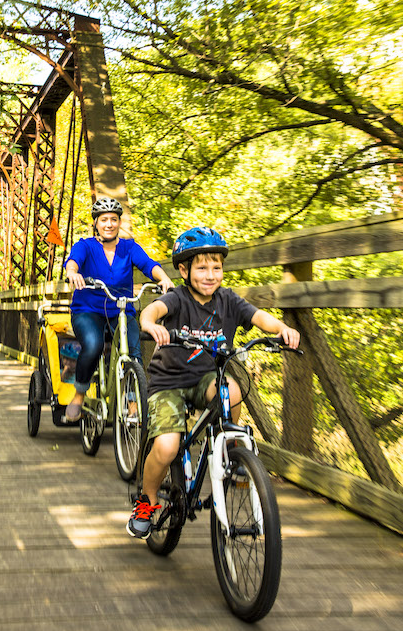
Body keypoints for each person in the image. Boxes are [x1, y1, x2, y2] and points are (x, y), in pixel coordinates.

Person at [126, 226, 300, 539]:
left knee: (232, 390)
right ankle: (147, 500)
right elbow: (155, 309)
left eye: (216, 267)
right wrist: (149, 323)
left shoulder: (228, 300)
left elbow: (258, 316)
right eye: (202, 267)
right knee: (167, 448)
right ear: (183, 269)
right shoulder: (177, 298)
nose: (210, 274)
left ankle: (231, 453)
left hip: (206, 377)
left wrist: (281, 329)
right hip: (169, 382)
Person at [64, 197, 174, 422]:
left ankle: (132, 402)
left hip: (121, 310)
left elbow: (148, 264)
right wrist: (73, 273)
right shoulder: (85, 246)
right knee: (93, 345)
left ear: (118, 222)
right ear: (96, 223)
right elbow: (73, 261)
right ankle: (79, 393)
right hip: (87, 309)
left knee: (132, 350)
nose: (109, 224)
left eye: (113, 219)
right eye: (104, 219)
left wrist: (163, 278)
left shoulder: (129, 247)